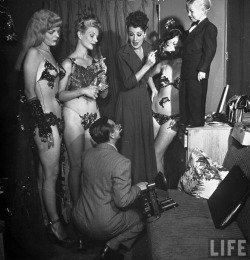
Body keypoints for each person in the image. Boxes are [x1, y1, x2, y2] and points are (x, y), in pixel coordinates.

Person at [15, 9, 74, 247]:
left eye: (58, 30)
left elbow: (56, 91)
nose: (56, 35)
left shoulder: (48, 53)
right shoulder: (33, 54)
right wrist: (43, 125)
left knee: (45, 176)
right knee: (51, 176)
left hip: (53, 120)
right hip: (45, 123)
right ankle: (56, 225)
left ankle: (45, 222)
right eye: (51, 31)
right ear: (40, 31)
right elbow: (30, 93)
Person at [72, 117, 147, 260]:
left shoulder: (87, 154)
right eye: (115, 125)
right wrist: (138, 188)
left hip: (80, 218)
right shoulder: (122, 162)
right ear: (111, 135)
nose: (119, 126)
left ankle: (84, 238)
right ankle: (112, 246)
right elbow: (122, 201)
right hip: (102, 225)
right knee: (141, 219)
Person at [58, 14, 109, 206]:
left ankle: (90, 210)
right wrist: (82, 90)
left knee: (91, 166)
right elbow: (59, 95)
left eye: (97, 36)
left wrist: (104, 77)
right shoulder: (67, 63)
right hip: (74, 116)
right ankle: (77, 212)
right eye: (91, 35)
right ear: (80, 34)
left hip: (94, 115)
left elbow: (103, 96)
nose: (95, 40)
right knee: (77, 165)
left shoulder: (95, 62)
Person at [115, 10, 158, 185]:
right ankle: (129, 190)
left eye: (139, 34)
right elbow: (128, 82)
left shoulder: (148, 47)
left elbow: (147, 75)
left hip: (143, 101)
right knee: (130, 147)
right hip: (128, 103)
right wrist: (147, 64)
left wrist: (153, 88)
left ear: (145, 33)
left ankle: (147, 188)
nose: (134, 39)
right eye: (131, 34)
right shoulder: (121, 53)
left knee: (145, 144)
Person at [148, 19, 185, 188]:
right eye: (170, 44)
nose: (173, 48)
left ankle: (162, 197)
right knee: (152, 155)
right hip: (154, 114)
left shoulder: (186, 66)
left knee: (156, 155)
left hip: (172, 119)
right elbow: (147, 75)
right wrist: (153, 89)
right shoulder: (162, 64)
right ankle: (157, 195)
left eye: (176, 44)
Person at [179, 0, 217, 127]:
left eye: (191, 11)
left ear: (202, 10)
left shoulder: (209, 27)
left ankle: (195, 125)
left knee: (196, 101)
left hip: (197, 73)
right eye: (187, 11)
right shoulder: (193, 27)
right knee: (186, 101)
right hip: (187, 72)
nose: (189, 14)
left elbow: (210, 50)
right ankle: (187, 124)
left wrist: (203, 69)